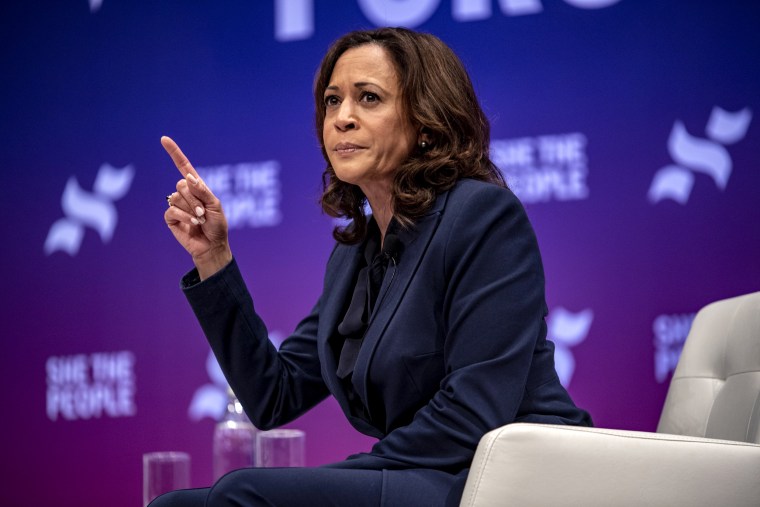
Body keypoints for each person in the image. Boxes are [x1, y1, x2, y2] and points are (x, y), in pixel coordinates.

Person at [155, 27, 591, 507]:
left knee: (245, 494)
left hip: (513, 480)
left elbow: (473, 412)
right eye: (332, 100)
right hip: (427, 475)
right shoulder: (355, 254)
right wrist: (213, 258)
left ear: (426, 122)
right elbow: (272, 394)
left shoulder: (482, 216)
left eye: (369, 98)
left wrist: (338, 480)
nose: (343, 118)